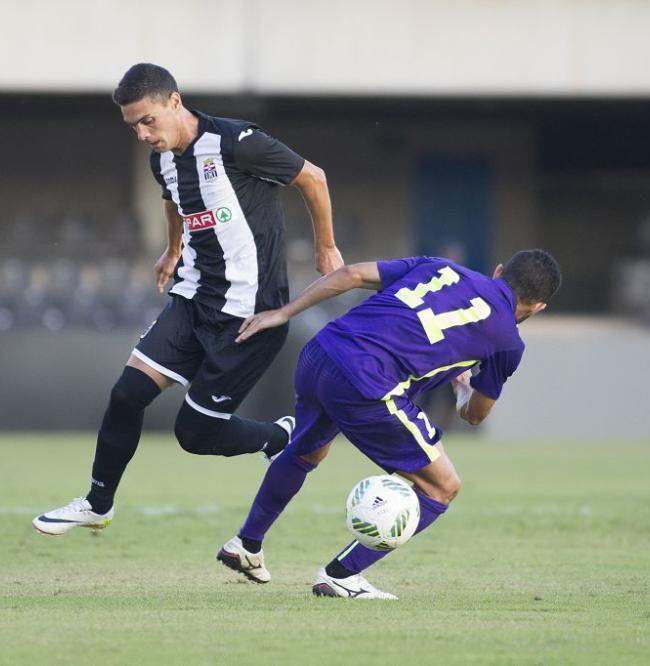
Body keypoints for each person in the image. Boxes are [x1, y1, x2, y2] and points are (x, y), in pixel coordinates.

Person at [33, 63, 343, 535]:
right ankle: (98, 504)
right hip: (193, 299)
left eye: (148, 121)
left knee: (195, 436)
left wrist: (325, 247)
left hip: (251, 315)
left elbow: (313, 178)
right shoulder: (162, 160)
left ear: (174, 102)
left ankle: (282, 434)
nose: (141, 134)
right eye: (133, 126)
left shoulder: (237, 142)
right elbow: (172, 199)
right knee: (126, 395)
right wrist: (173, 248)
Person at [217, 250, 561, 598]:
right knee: (442, 487)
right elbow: (474, 414)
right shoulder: (508, 342)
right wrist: (461, 387)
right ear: (538, 307)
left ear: (499, 270)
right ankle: (341, 575)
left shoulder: (438, 266)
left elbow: (350, 274)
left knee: (307, 449)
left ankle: (247, 542)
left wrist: (284, 313)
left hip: (322, 351)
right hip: (368, 382)